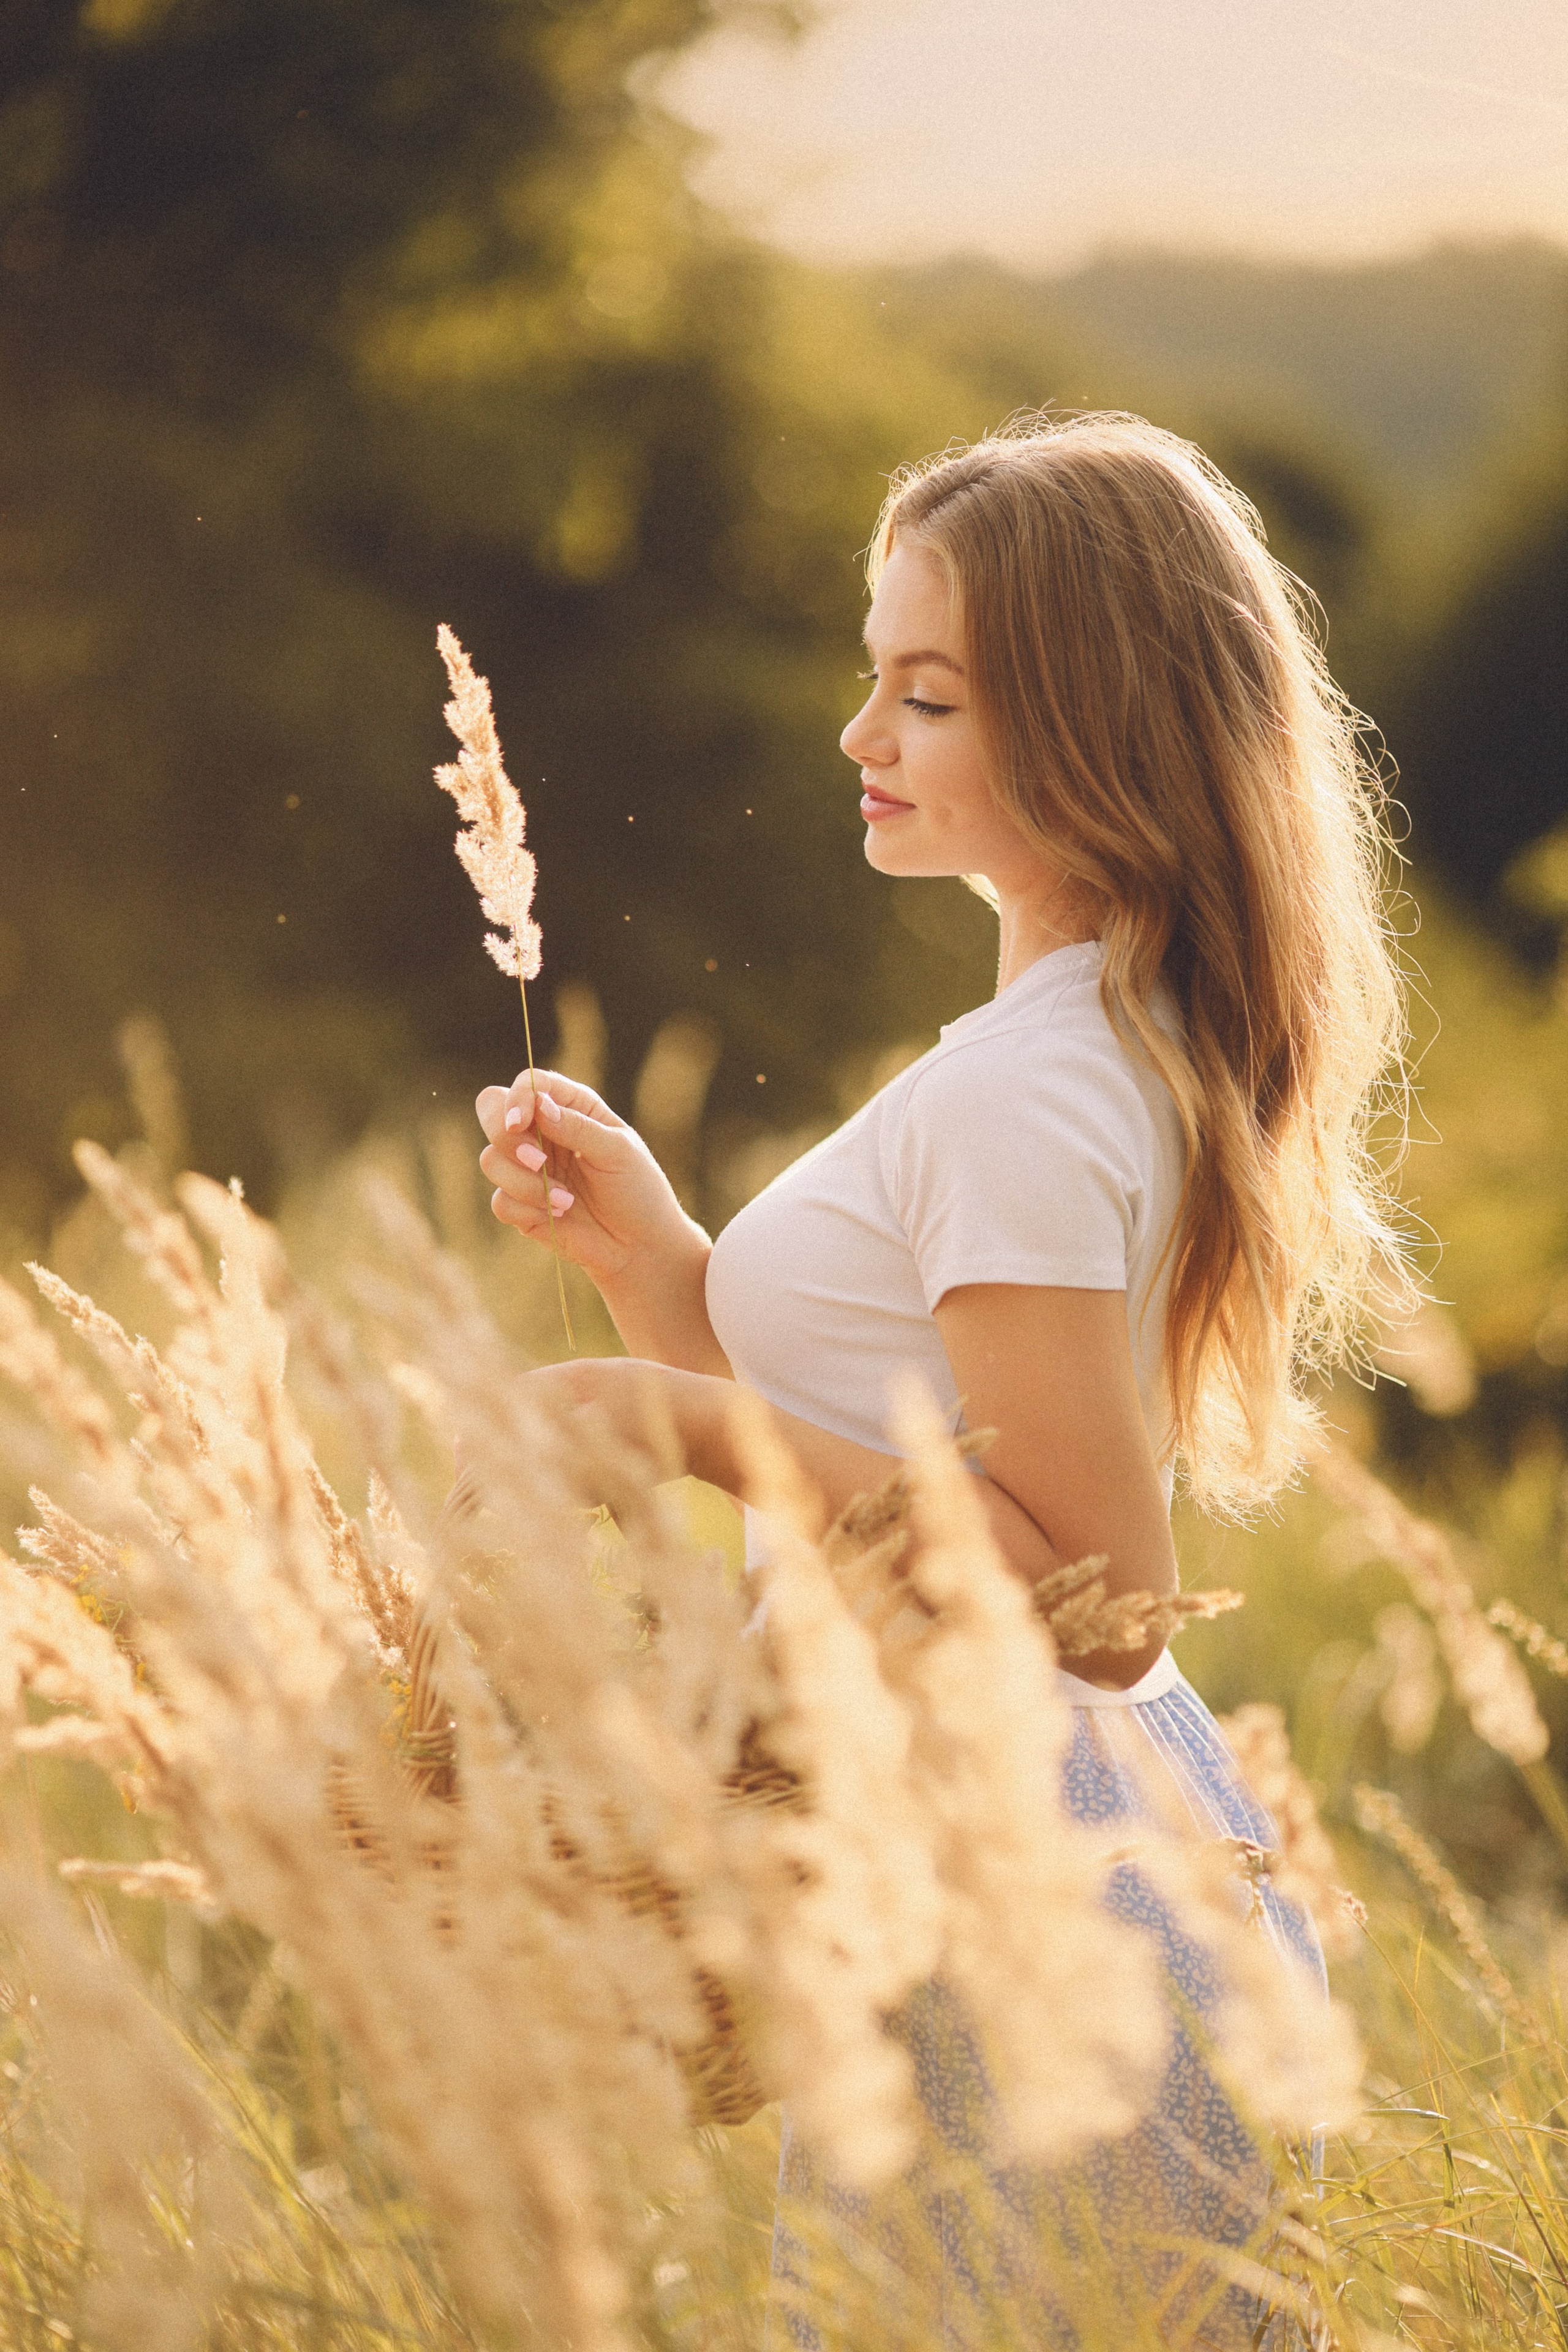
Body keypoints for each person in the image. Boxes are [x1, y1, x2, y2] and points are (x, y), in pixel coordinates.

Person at [474, 412, 1406, 2345]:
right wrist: (662, 1272)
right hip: (1017, 1873)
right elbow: (906, 1445)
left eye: (928, 695)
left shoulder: (1030, 1089)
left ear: (1090, 726)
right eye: (873, 681)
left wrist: (681, 1425)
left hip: (1037, 1906)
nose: (859, 737)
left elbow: (1102, 1590)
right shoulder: (1075, 1039)